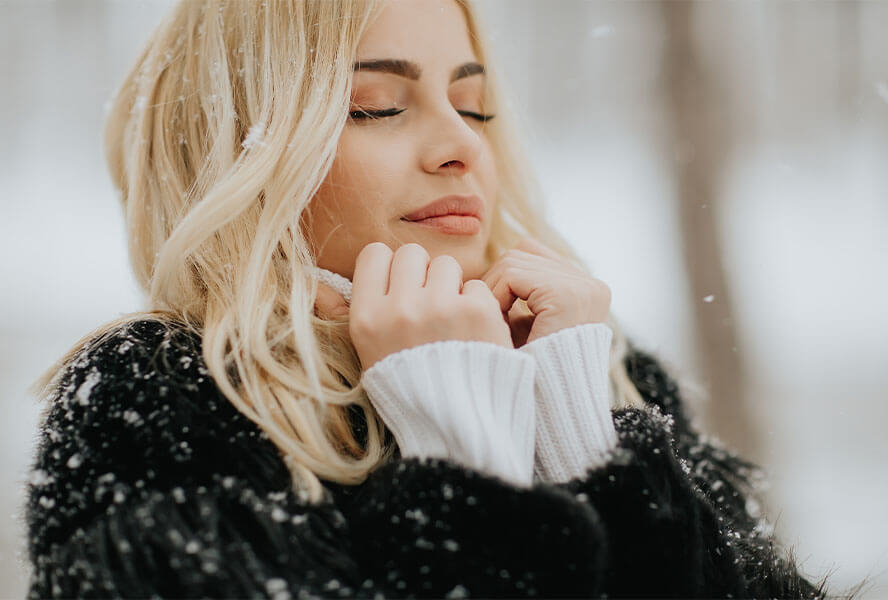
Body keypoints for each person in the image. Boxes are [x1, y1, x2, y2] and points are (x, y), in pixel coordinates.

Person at [25, 0, 832, 597]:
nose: (462, 145)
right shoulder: (161, 399)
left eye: (473, 105)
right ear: (243, 150)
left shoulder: (604, 371)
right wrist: (465, 463)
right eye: (376, 105)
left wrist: (585, 446)